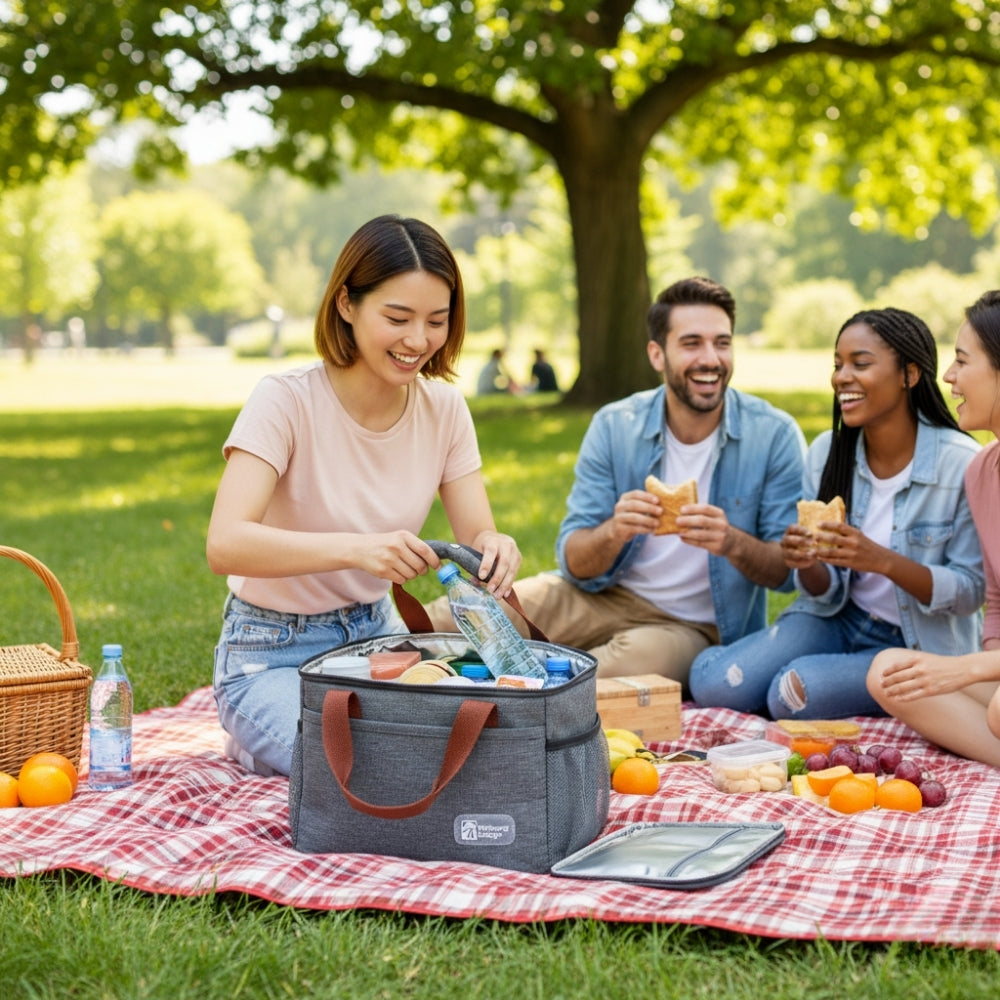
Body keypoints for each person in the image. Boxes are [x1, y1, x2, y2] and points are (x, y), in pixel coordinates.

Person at [206, 215, 523, 776]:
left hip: (379, 639)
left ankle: (280, 747)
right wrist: (359, 549)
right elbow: (225, 544)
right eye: (397, 318)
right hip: (271, 651)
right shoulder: (285, 401)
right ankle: (262, 732)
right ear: (346, 304)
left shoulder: (445, 410)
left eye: (437, 321)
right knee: (369, 768)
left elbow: (477, 533)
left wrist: (495, 546)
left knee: (457, 754)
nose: (418, 340)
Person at [430, 276, 807, 686]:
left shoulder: (774, 435)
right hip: (599, 595)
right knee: (453, 619)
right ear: (657, 354)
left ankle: (521, 696)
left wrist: (731, 541)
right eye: (692, 343)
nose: (711, 359)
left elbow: (786, 573)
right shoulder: (615, 425)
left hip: (693, 626)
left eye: (722, 343)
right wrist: (615, 531)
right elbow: (573, 560)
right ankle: (387, 681)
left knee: (602, 673)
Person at [690, 307, 985, 720]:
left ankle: (853, 685)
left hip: (913, 642)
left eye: (859, 364)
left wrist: (881, 561)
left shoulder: (962, 464)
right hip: (835, 618)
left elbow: (971, 591)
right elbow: (823, 590)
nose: (841, 377)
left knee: (790, 696)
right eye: (837, 365)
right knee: (715, 685)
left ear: (910, 374)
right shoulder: (827, 453)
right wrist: (806, 562)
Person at [868, 291, 1000, 765]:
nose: (948, 376)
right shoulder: (982, 470)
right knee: (890, 671)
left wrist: (970, 670)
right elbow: (996, 603)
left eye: (962, 361)